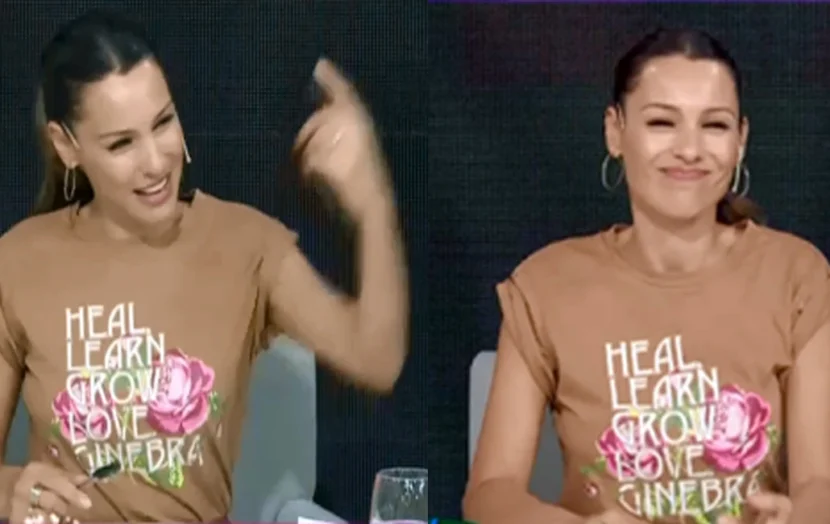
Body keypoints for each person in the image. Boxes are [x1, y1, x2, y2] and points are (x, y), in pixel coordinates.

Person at [0, 8, 408, 524]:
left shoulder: (245, 244)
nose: (156, 162)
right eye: (121, 144)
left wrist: (372, 205)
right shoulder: (19, 260)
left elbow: (375, 357)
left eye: (163, 123)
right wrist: (10, 490)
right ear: (67, 146)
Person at [464, 28, 830, 524]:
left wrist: (795, 518)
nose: (690, 149)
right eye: (662, 122)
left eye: (714, 125)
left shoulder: (797, 275)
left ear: (741, 140)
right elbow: (490, 493)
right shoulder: (545, 285)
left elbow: (819, 485)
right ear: (615, 131)